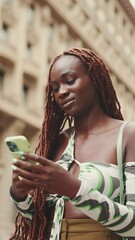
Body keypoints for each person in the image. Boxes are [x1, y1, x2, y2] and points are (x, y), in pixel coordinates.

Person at [10, 47, 135, 240]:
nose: (61, 92)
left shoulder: (127, 135)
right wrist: (20, 195)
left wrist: (73, 189)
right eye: (55, 88)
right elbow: (41, 220)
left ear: (95, 79)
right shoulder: (57, 141)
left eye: (70, 81)